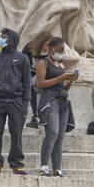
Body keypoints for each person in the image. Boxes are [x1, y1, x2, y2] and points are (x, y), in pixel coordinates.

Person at [0, 28, 30, 175]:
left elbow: (27, 82)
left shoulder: (23, 58)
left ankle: (17, 164)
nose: (1, 40)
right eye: (0, 37)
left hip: (16, 101)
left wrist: (25, 101)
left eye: (4, 37)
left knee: (16, 133)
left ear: (13, 40)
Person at [35, 37, 75, 177]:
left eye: (62, 51)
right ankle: (44, 166)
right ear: (51, 49)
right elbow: (39, 84)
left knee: (60, 136)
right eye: (59, 50)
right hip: (49, 99)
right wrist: (62, 78)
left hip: (62, 100)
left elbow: (63, 88)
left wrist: (70, 82)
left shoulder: (61, 66)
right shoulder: (43, 63)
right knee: (52, 132)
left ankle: (57, 168)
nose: (60, 53)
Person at [22, 32, 52, 129]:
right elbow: (22, 63)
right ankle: (34, 118)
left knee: (47, 88)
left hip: (44, 75)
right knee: (30, 88)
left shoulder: (52, 52)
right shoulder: (29, 48)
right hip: (30, 74)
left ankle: (44, 115)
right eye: (46, 45)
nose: (48, 48)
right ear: (40, 43)